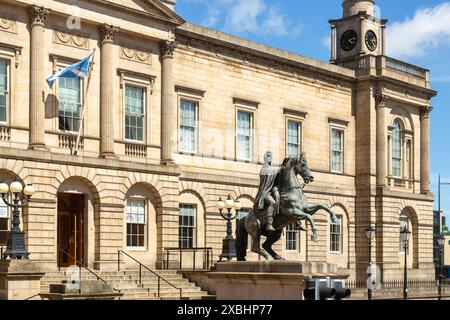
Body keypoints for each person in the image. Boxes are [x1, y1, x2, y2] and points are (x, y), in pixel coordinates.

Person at [254, 151, 280, 233]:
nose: (270, 158)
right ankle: (269, 223)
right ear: (265, 157)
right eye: (268, 156)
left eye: (271, 156)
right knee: (272, 202)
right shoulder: (264, 169)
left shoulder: (272, 169)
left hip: (271, 191)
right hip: (265, 193)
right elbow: (273, 171)